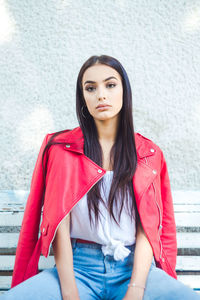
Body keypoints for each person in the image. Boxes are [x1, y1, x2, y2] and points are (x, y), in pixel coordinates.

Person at [1, 55, 199, 300]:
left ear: (124, 92)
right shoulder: (60, 149)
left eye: (110, 85)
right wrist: (70, 291)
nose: (101, 95)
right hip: (78, 268)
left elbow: (149, 229)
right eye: (91, 88)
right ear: (83, 97)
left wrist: (136, 290)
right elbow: (58, 225)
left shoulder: (149, 154)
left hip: (134, 269)